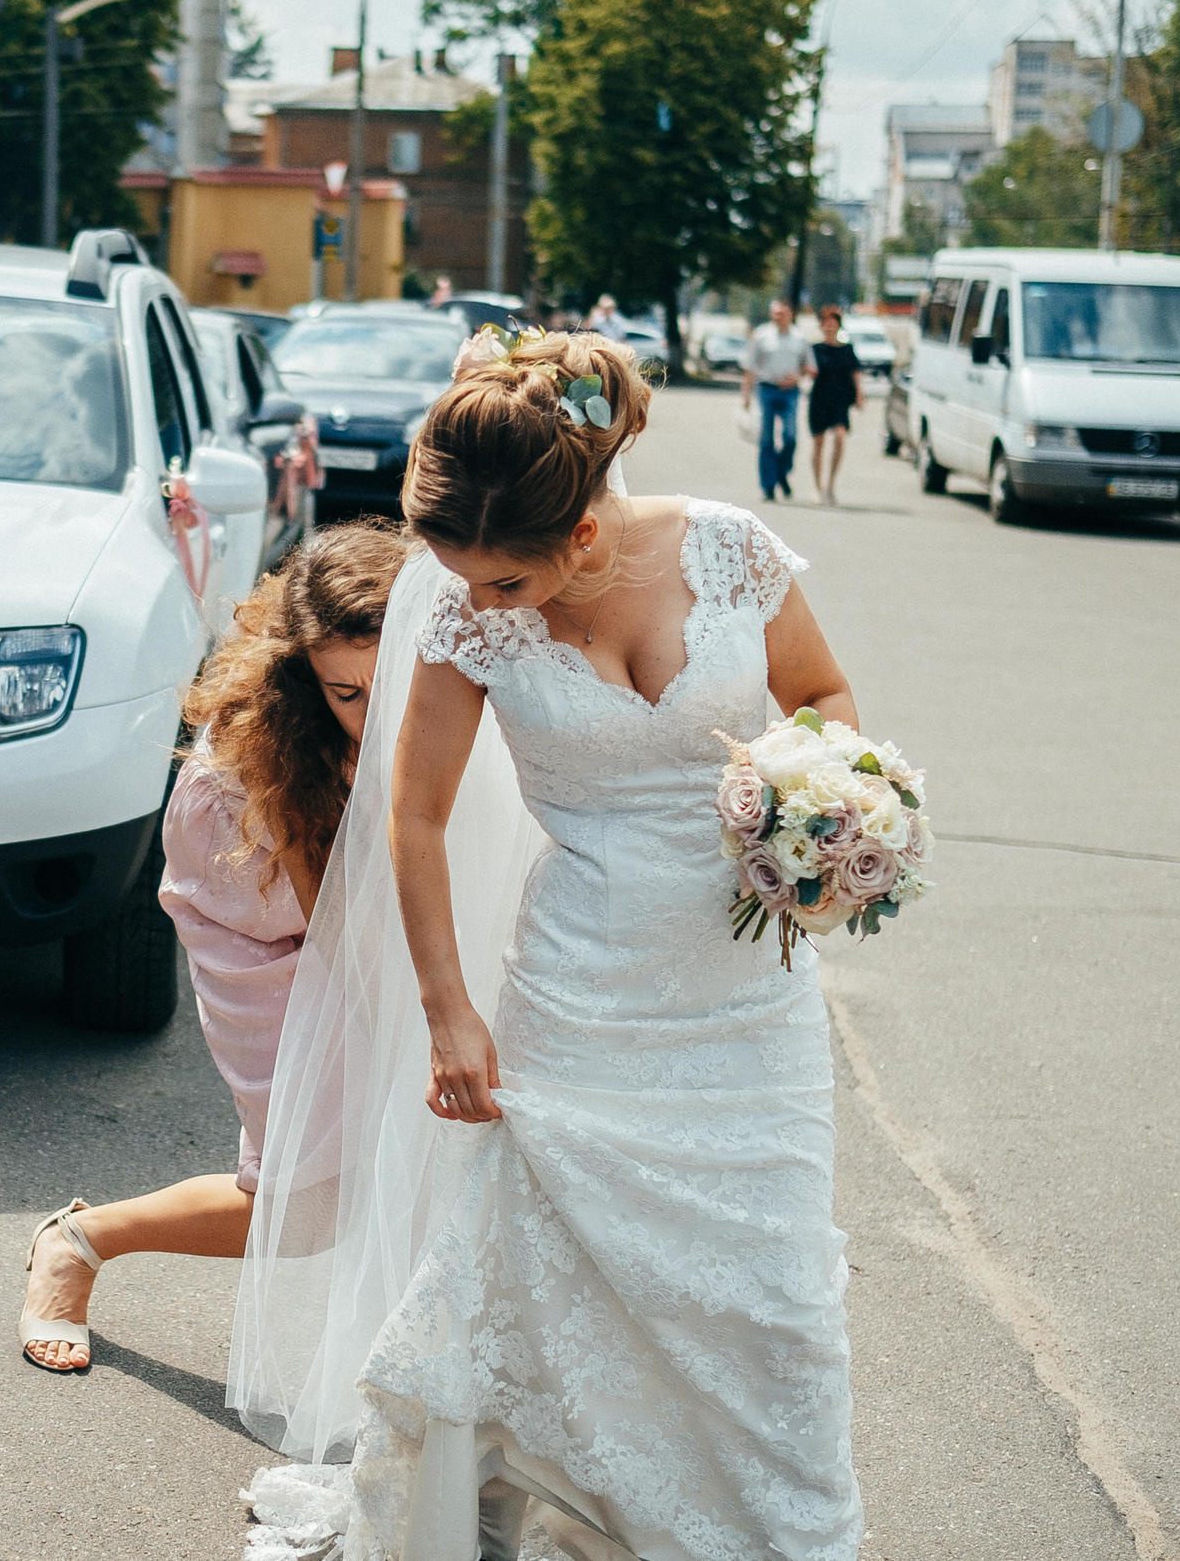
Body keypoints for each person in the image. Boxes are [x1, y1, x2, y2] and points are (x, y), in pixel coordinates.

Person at [237, 328, 865, 1561]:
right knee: (548, 1279)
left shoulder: (730, 551)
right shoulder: (464, 619)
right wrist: (448, 1013)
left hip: (750, 998)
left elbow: (824, 696)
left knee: (771, 1296)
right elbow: (414, 817)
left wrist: (821, 801)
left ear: (580, 535)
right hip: (578, 1000)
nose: (474, 605)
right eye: (459, 578)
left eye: (503, 584)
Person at [17, 524, 412, 1375]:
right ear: (303, 676)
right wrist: (426, 1038)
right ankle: (80, 1240)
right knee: (307, 1200)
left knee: (409, 1156)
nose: (374, 714)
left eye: (394, 684)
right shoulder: (276, 752)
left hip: (365, 909)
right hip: (258, 921)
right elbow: (342, 932)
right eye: (347, 693)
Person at [741, 297, 811, 503]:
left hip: (790, 391)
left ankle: (781, 471)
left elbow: (809, 366)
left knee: (790, 437)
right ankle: (768, 485)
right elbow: (750, 367)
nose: (778, 317)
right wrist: (746, 394)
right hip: (766, 389)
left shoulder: (799, 338)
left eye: (782, 314)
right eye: (775, 313)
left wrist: (797, 377)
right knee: (766, 439)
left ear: (790, 314)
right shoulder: (762, 336)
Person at [807, 302, 864, 505]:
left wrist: (860, 394)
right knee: (819, 442)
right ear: (821, 326)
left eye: (833, 323)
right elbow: (807, 369)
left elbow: (855, 372)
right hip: (819, 398)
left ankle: (831, 485)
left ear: (839, 326)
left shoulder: (847, 349)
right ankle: (817, 487)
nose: (830, 327)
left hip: (840, 399)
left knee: (840, 437)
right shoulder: (815, 349)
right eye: (826, 323)